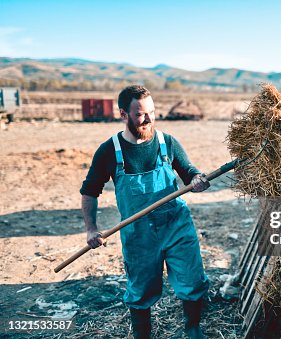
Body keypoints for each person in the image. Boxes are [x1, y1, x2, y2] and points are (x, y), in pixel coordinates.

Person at [80, 85, 210, 339]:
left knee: (192, 281)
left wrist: (197, 180)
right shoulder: (110, 150)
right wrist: (91, 229)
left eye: (152, 112)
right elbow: (89, 192)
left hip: (176, 226)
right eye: (141, 114)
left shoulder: (166, 142)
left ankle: (193, 330)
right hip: (138, 234)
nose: (149, 119)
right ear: (123, 114)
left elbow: (189, 172)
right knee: (140, 291)